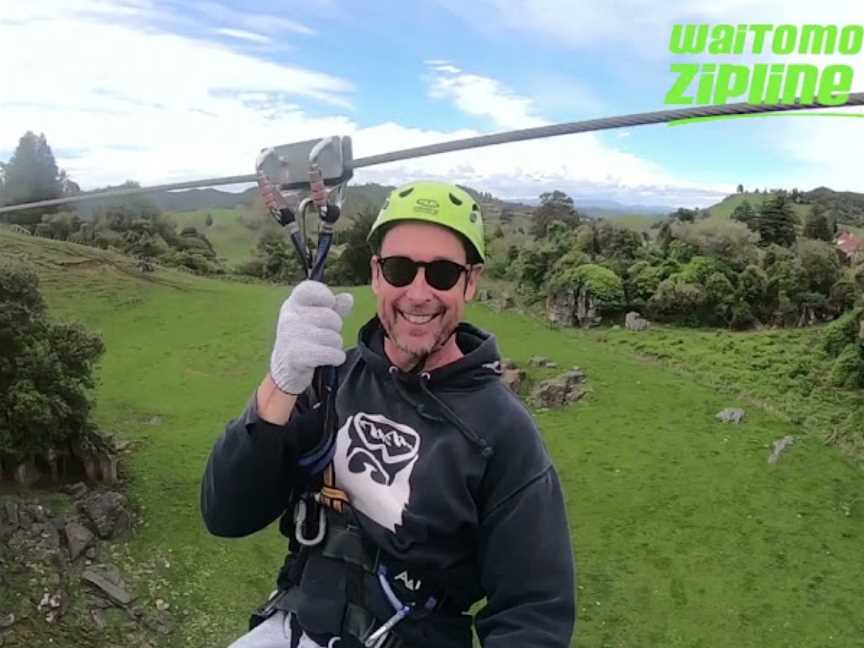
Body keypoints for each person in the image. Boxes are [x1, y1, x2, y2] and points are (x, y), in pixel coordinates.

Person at [200, 181, 576, 648]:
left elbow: (534, 613)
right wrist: (280, 382)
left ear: (470, 282)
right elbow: (226, 514)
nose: (418, 294)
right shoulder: (330, 379)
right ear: (377, 274)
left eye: (441, 273)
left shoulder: (501, 432)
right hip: (295, 626)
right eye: (400, 269)